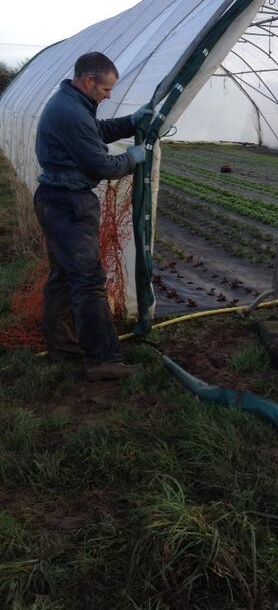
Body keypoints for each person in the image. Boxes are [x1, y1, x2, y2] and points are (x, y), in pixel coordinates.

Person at [34, 52, 152, 380]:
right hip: (69, 204)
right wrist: (132, 159)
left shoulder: (70, 103)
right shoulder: (71, 111)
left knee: (63, 276)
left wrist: (130, 122)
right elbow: (101, 165)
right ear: (89, 81)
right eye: (106, 89)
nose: (109, 95)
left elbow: (94, 131)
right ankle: (103, 360)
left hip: (55, 201)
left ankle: (62, 348)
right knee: (88, 281)